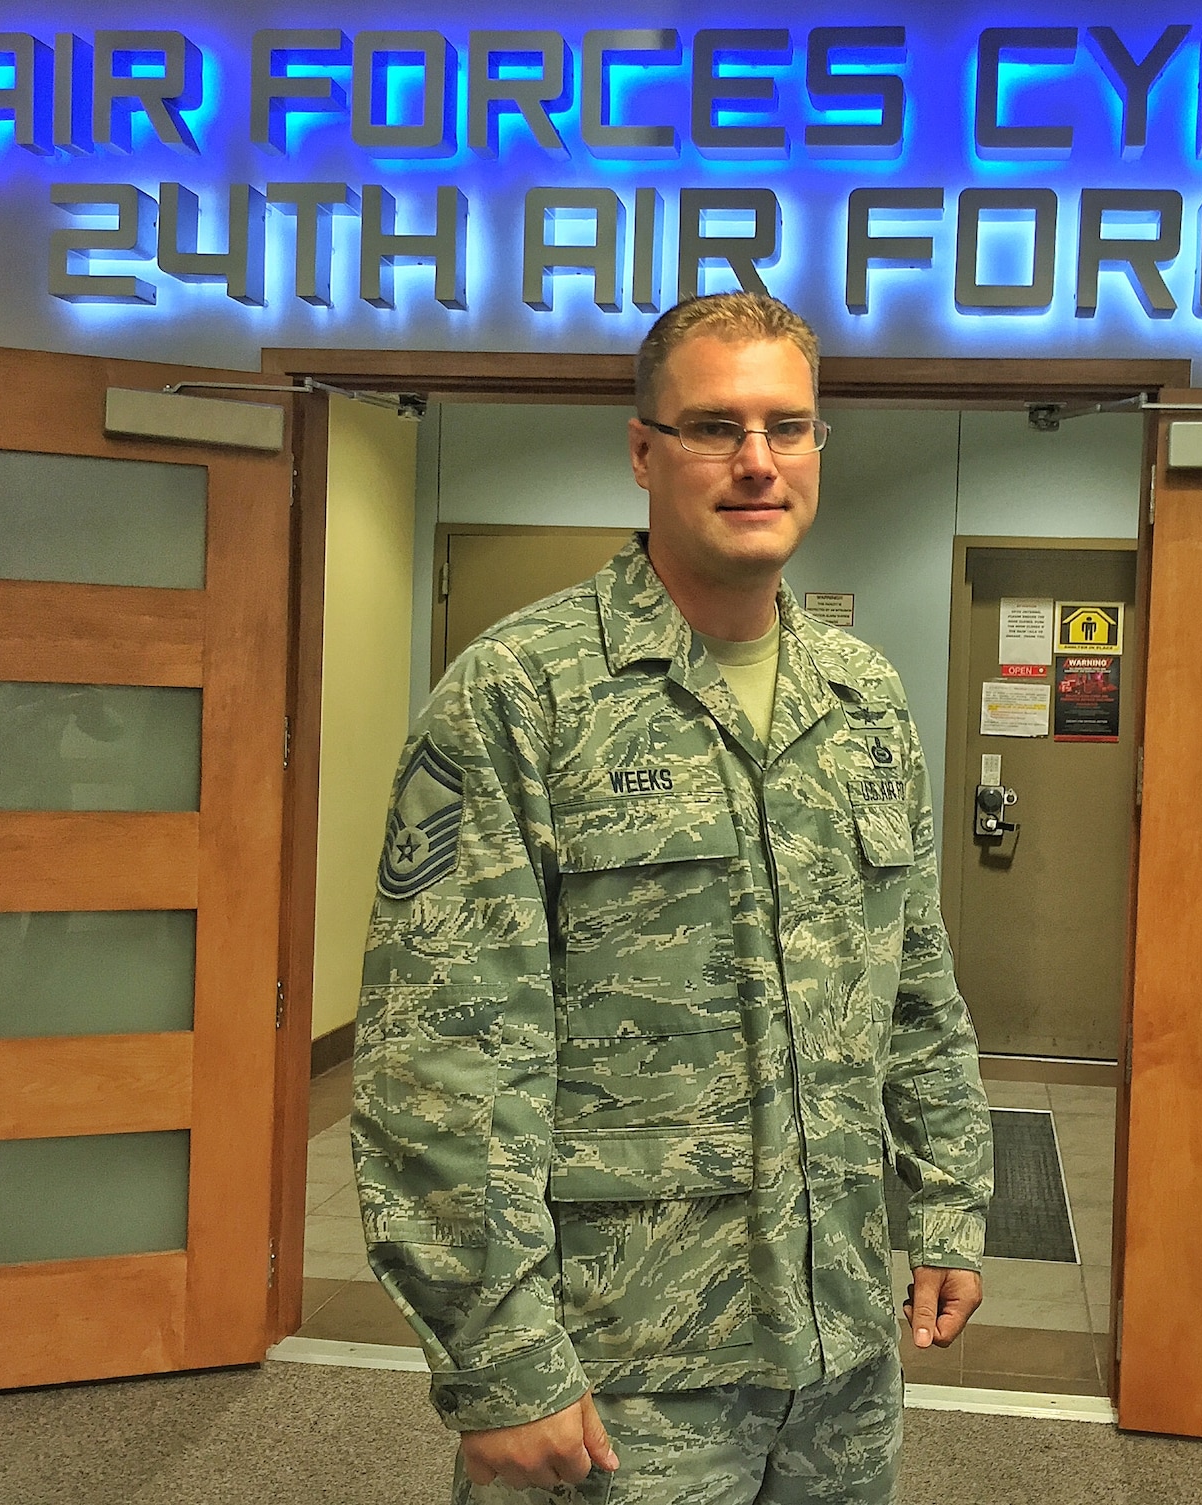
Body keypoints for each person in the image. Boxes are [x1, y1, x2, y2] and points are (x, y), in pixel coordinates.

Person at [352, 291, 993, 1503]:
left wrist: (953, 1201)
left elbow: (914, 986)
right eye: (714, 426)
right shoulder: (520, 695)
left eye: (787, 427)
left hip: (840, 1353)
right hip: (622, 1366)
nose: (757, 461)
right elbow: (438, 1064)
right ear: (644, 451)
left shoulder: (863, 699)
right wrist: (501, 1365)